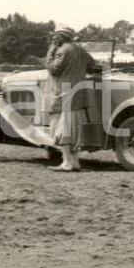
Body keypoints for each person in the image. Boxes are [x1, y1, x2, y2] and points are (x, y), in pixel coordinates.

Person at [45, 28, 100, 171]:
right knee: (73, 130)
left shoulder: (62, 51)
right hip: (77, 94)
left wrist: (51, 51)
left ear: (61, 37)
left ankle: (67, 162)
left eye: (55, 37)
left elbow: (53, 69)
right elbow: (92, 65)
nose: (54, 39)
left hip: (62, 94)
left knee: (61, 129)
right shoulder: (80, 50)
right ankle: (75, 162)